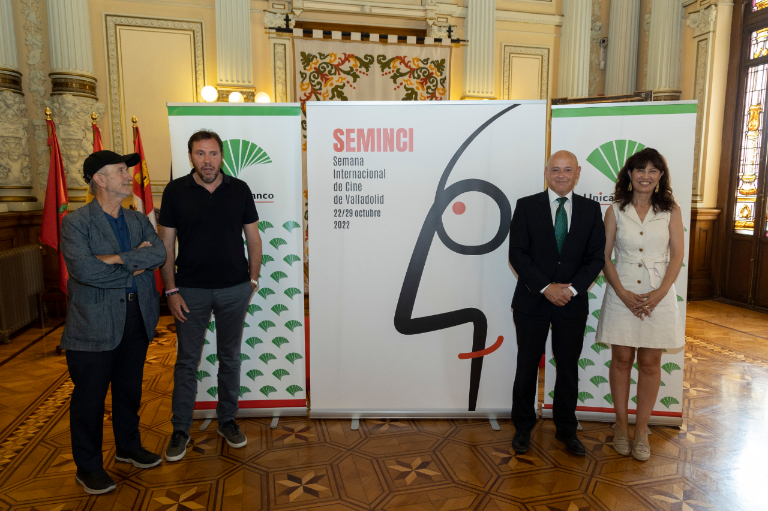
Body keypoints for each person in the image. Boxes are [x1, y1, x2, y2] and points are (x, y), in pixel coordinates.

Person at [61, 150, 167, 494]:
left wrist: (114, 258)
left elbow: (159, 253)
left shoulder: (137, 219)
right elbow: (85, 271)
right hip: (94, 324)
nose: (128, 175)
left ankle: (128, 447)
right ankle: (88, 467)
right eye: (120, 170)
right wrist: (133, 265)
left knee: (128, 390)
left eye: (126, 170)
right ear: (100, 179)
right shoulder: (76, 222)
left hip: (138, 317)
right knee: (89, 400)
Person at [159, 130, 262, 462]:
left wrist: (252, 280)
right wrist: (171, 290)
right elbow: (166, 244)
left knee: (230, 358)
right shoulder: (175, 191)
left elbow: (253, 238)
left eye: (213, 153)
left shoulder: (240, 189)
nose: (207, 160)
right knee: (187, 362)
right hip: (189, 291)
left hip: (235, 289)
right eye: (200, 153)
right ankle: (180, 429)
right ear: (190, 156)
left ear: (221, 156)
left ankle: (227, 420)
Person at [508, 150, 606, 456]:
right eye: (555, 169)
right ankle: (523, 426)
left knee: (567, 367)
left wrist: (571, 290)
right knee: (527, 365)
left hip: (572, 303)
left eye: (567, 169)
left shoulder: (591, 210)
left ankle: (566, 429)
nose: (561, 175)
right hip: (532, 301)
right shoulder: (526, 206)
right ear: (546, 172)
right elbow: (517, 254)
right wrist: (545, 287)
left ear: (577, 173)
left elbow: (596, 258)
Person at [596, 147, 684, 461]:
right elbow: (604, 256)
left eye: (652, 170)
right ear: (630, 175)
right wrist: (621, 292)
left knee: (649, 363)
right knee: (621, 360)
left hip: (658, 294)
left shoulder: (671, 210)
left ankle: (642, 429)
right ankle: (621, 426)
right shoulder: (615, 210)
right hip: (622, 293)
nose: (646, 176)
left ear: (660, 177)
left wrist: (659, 294)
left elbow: (677, 256)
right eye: (640, 169)